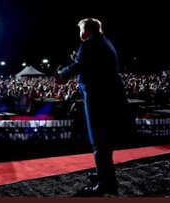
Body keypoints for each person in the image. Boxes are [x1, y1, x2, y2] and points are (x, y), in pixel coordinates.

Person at [56, 18, 133, 196]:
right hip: (109, 97)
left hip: (99, 98)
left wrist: (62, 74)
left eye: (81, 30)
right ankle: (103, 173)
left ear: (86, 31)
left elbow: (79, 65)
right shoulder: (105, 42)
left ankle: (106, 183)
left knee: (99, 139)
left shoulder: (89, 44)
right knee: (104, 138)